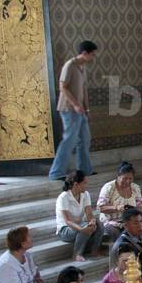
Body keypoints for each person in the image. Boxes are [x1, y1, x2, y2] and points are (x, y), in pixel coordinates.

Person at [48, 40, 98, 180]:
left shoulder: (82, 67)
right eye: (92, 54)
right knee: (69, 140)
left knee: (84, 139)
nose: (93, 57)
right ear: (84, 53)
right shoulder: (70, 65)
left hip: (80, 111)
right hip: (69, 109)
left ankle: (85, 170)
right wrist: (75, 104)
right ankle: (56, 172)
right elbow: (63, 87)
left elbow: (84, 90)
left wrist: (86, 110)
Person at [55, 170, 104, 262]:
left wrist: (92, 221)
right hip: (65, 230)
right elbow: (68, 221)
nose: (87, 185)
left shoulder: (85, 194)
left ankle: (94, 250)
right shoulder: (63, 197)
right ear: (76, 184)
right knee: (85, 228)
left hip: (81, 224)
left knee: (99, 224)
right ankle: (77, 254)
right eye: (85, 183)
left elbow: (89, 213)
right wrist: (81, 229)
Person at [97, 161, 142, 240]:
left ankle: (140, 240)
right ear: (118, 176)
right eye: (125, 178)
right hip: (112, 221)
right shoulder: (109, 187)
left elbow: (141, 206)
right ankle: (127, 245)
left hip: (130, 220)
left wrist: (135, 210)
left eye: (130, 178)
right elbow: (101, 208)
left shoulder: (135, 187)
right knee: (116, 232)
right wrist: (117, 208)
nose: (128, 181)